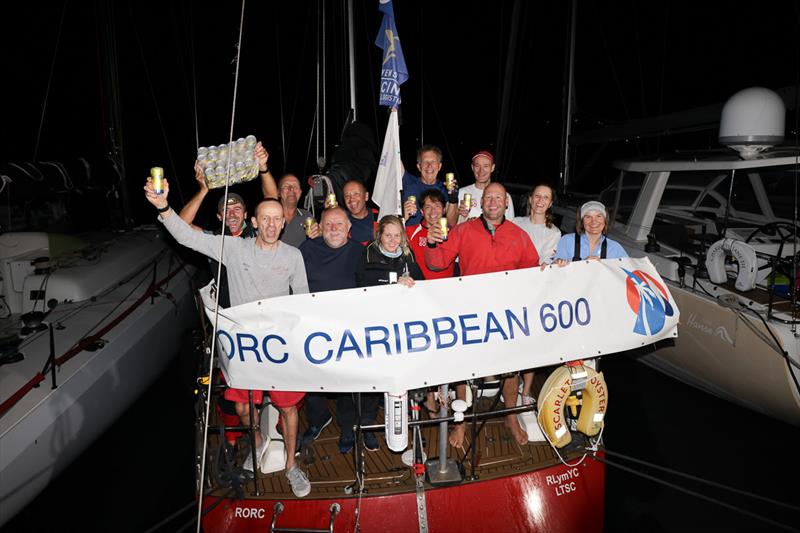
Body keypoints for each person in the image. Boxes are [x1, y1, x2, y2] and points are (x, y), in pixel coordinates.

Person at [144, 177, 312, 498]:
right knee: (244, 410)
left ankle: (292, 465)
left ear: (283, 222)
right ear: (254, 222)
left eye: (278, 219)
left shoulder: (293, 256)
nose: (272, 225)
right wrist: (162, 207)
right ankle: (259, 444)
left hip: (280, 348)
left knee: (290, 410)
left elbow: (302, 301)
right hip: (245, 348)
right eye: (266, 219)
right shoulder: (233, 248)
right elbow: (183, 235)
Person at [426, 182, 538, 447]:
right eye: (489, 197)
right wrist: (431, 244)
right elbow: (437, 262)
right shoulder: (463, 230)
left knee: (511, 368)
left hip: (505, 315)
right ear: (481, 202)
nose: (493, 202)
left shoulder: (519, 235)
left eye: (498, 198)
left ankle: (511, 416)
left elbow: (533, 273)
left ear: (506, 203)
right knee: (464, 368)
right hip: (470, 312)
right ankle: (460, 423)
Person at [351, 215, 423, 452]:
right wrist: (392, 285)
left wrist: (413, 283)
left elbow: (423, 286)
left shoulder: (408, 257)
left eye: (397, 235)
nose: (392, 240)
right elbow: (362, 285)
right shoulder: (367, 255)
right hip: (376, 330)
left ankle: (409, 430)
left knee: (402, 383)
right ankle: (368, 428)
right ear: (379, 235)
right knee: (372, 384)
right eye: (388, 235)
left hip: (402, 331)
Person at [297, 207, 365, 452]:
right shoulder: (307, 250)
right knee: (312, 380)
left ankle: (347, 426)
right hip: (314, 328)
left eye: (339, 224)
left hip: (348, 330)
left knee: (347, 382)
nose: (334, 228)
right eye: (328, 224)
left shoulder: (361, 252)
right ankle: (318, 418)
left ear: (349, 228)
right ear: (320, 228)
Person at [509, 182, 562, 406]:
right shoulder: (514, 223)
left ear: (550, 204)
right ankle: (508, 384)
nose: (540, 201)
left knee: (532, 341)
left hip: (536, 292)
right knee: (512, 340)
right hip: (512, 289)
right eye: (537, 196)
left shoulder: (554, 232)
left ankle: (526, 390)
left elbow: (543, 261)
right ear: (530, 199)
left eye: (546, 198)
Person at [400, 145, 458, 227]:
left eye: (433, 162)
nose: (429, 166)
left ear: (439, 166)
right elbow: (394, 157)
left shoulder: (446, 189)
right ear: (419, 167)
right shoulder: (408, 182)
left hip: (436, 237)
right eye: (425, 162)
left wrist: (453, 199)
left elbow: (451, 224)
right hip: (410, 237)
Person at [553, 200, 628, 263]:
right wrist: (584, 264)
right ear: (582, 222)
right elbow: (555, 270)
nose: (594, 221)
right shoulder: (567, 241)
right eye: (588, 217)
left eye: (599, 216)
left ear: (605, 220)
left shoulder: (615, 248)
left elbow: (629, 271)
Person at [406, 189, 455, 280]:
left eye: (437, 206)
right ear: (422, 211)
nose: (433, 211)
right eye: (428, 207)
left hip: (447, 287)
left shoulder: (452, 233)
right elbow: (387, 236)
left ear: (444, 210)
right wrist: (404, 218)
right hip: (420, 288)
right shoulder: (411, 231)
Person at [457, 150, 514, 223]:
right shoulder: (461, 193)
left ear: (492, 168)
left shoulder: (504, 196)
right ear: (472, 167)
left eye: (486, 166)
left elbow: (509, 225)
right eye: (477, 166)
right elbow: (453, 225)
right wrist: (462, 217)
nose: (481, 171)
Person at [276, 173, 318, 247]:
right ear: (278, 193)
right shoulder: (271, 215)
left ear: (300, 192)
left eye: (295, 186)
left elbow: (317, 241)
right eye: (286, 186)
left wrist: (319, 233)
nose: (291, 189)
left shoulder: (307, 216)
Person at [343, 179, 378, 245]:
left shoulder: (380, 217)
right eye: (347, 196)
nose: (351, 199)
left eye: (356, 194)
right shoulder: (341, 221)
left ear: (366, 196)